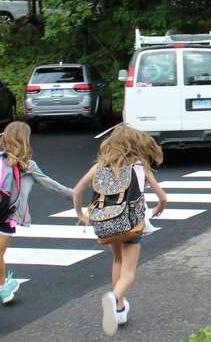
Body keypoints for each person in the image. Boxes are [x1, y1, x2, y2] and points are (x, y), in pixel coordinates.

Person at [0, 122, 73, 318]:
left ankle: (4, 289)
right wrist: (72, 194)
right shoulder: (27, 164)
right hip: (6, 218)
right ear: (25, 139)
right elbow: (50, 184)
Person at [71, 125, 167, 336]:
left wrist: (81, 215)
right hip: (131, 223)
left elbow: (77, 191)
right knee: (129, 272)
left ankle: (119, 308)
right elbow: (163, 196)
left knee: (117, 260)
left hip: (107, 223)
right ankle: (114, 298)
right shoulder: (139, 166)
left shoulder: (99, 167)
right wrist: (160, 207)